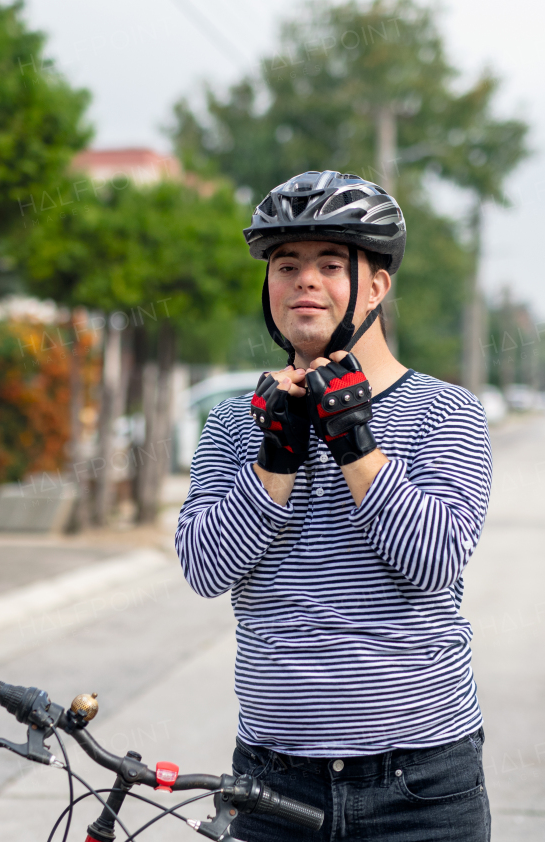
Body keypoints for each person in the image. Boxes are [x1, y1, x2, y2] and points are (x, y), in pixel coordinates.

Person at [175, 170, 493, 841]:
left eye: (329, 263)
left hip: (420, 787)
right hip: (271, 780)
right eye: (286, 265)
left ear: (378, 284)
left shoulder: (446, 413)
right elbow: (204, 569)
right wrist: (273, 461)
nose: (304, 281)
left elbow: (432, 562)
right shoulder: (237, 424)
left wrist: (355, 442)